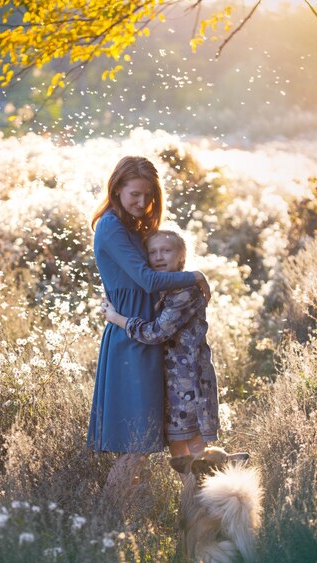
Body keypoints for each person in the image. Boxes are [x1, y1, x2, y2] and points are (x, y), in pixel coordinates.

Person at [87, 156, 210, 504]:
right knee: (136, 442)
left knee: (154, 439)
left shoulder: (132, 227)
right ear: (117, 189)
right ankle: (105, 520)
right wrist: (196, 276)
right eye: (135, 195)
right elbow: (147, 279)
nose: (142, 203)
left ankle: (130, 518)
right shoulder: (110, 226)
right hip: (132, 341)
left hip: (149, 335)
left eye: (149, 196)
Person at [101, 229, 219, 470]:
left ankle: (209, 496)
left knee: (195, 442)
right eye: (152, 252)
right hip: (171, 382)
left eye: (166, 251)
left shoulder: (186, 291)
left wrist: (117, 318)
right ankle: (190, 498)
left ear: (181, 257)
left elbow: (157, 332)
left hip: (190, 380)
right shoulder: (159, 290)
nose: (158, 257)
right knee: (177, 443)